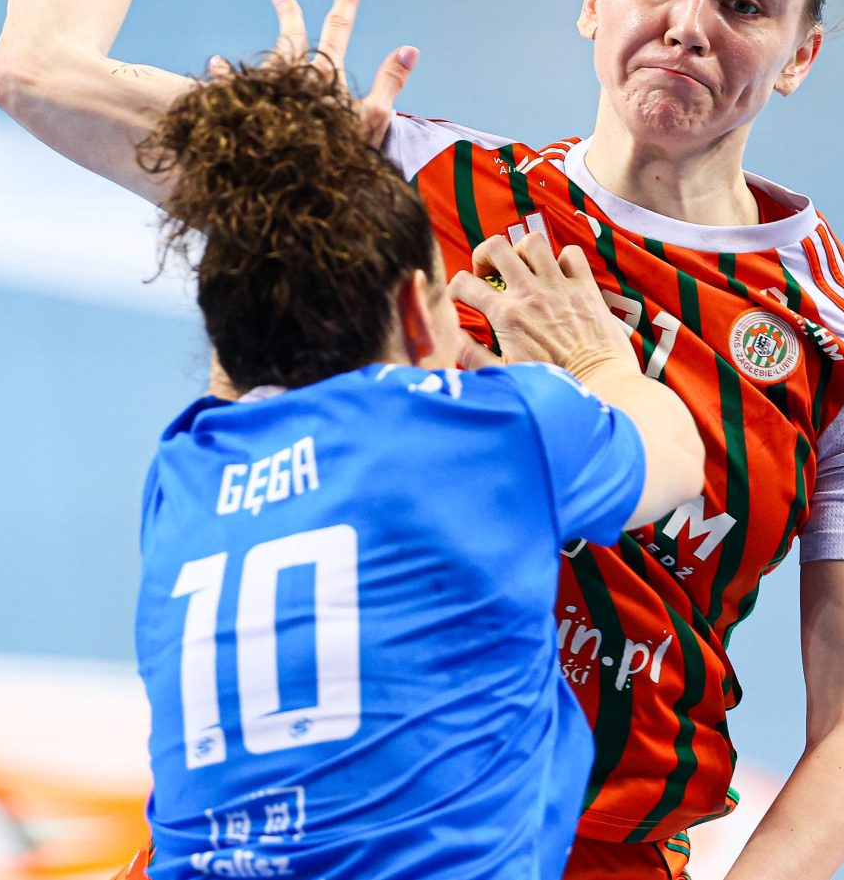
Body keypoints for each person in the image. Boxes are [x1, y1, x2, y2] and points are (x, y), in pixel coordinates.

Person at [0, 0, 844, 880]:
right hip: (338, 824)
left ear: (799, 54)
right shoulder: (394, 179)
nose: (687, 26)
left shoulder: (840, 342)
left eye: (745, 4)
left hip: (590, 849)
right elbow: (37, 72)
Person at [126, 53, 704, 878]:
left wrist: (292, 172)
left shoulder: (184, 468)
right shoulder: (490, 431)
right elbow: (677, 455)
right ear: (413, 309)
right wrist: (593, 359)